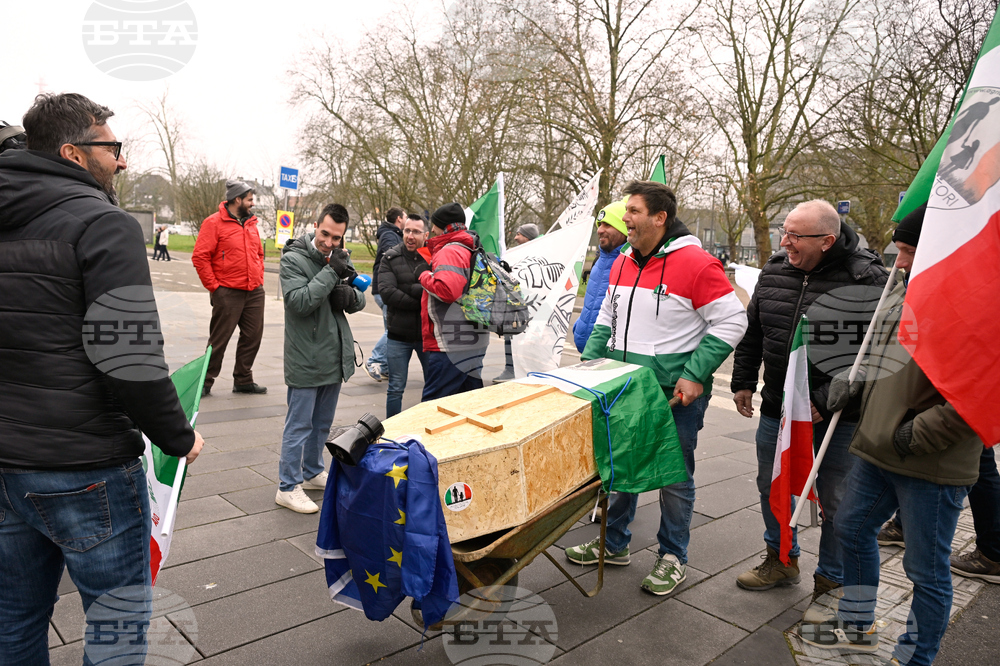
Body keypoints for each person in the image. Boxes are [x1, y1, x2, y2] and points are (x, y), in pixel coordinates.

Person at [0, 92, 204, 664]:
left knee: (12, 623)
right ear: (73, 152)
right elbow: (127, 355)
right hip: (83, 466)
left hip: (5, 463)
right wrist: (178, 436)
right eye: (112, 147)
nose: (121, 160)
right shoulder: (102, 222)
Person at [798, 205, 983, 666]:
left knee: (925, 571)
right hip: (877, 448)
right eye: (898, 250)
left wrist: (912, 435)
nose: (897, 262)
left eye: (907, 251)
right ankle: (857, 625)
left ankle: (916, 656)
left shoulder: (975, 304)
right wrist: (853, 384)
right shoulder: (902, 289)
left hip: (929, 462)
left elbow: (978, 396)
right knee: (851, 528)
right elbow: (880, 355)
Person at [565, 181, 748, 597]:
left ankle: (673, 557)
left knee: (674, 477)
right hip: (623, 388)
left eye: (632, 211)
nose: (624, 218)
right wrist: (591, 363)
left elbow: (733, 321)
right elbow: (607, 317)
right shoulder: (625, 261)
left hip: (672, 394)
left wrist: (695, 373)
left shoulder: (697, 264)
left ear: (659, 218)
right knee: (621, 467)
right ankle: (613, 545)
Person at [731, 201, 888, 619]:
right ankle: (781, 560)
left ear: (827, 240)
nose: (785, 242)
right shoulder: (777, 267)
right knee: (774, 485)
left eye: (795, 236)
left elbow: (877, 357)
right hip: (778, 409)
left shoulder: (868, 278)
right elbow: (754, 330)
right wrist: (744, 380)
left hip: (837, 418)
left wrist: (823, 401)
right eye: (785, 232)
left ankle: (831, 580)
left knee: (839, 502)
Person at [275, 204, 365, 513]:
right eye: (325, 234)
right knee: (299, 425)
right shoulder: (293, 259)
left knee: (322, 424)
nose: (329, 242)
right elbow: (299, 302)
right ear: (316, 226)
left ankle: (311, 471)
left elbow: (359, 296)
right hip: (305, 357)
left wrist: (351, 296)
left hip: (333, 355)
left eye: (336, 237)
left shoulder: (339, 258)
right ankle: (287, 486)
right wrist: (331, 272)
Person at [192, 179, 267, 396]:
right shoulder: (213, 223)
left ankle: (243, 379)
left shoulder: (251, 223)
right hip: (227, 291)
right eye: (250, 199)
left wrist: (259, 275)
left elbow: (258, 253)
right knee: (219, 340)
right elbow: (200, 257)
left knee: (253, 336)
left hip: (254, 291)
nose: (252, 204)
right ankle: (204, 382)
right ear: (238, 199)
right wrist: (215, 288)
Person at [419, 203, 489, 400]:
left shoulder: (450, 251)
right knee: (468, 404)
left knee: (432, 408)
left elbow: (448, 291)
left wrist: (424, 275)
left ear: (444, 226)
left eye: (435, 225)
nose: (432, 229)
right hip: (472, 339)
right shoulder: (472, 247)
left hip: (452, 344)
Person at [378, 214, 431, 417]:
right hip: (398, 336)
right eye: (407, 231)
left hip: (427, 336)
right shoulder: (390, 257)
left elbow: (437, 291)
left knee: (432, 387)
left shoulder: (433, 258)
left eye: (416, 232)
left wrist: (407, 288)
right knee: (395, 388)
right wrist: (421, 300)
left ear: (425, 235)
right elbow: (388, 293)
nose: (410, 236)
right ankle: (391, 432)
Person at [573, 198, 627, 352]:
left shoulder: (631, 263)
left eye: (608, 224)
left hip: (610, 355)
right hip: (587, 352)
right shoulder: (599, 259)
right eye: (599, 224)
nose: (600, 230)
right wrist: (579, 327)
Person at [365, 207, 406, 382]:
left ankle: (385, 367)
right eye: (405, 217)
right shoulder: (390, 235)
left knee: (390, 328)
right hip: (386, 290)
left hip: (383, 289)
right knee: (393, 329)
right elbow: (393, 259)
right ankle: (374, 361)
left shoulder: (391, 233)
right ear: (398, 219)